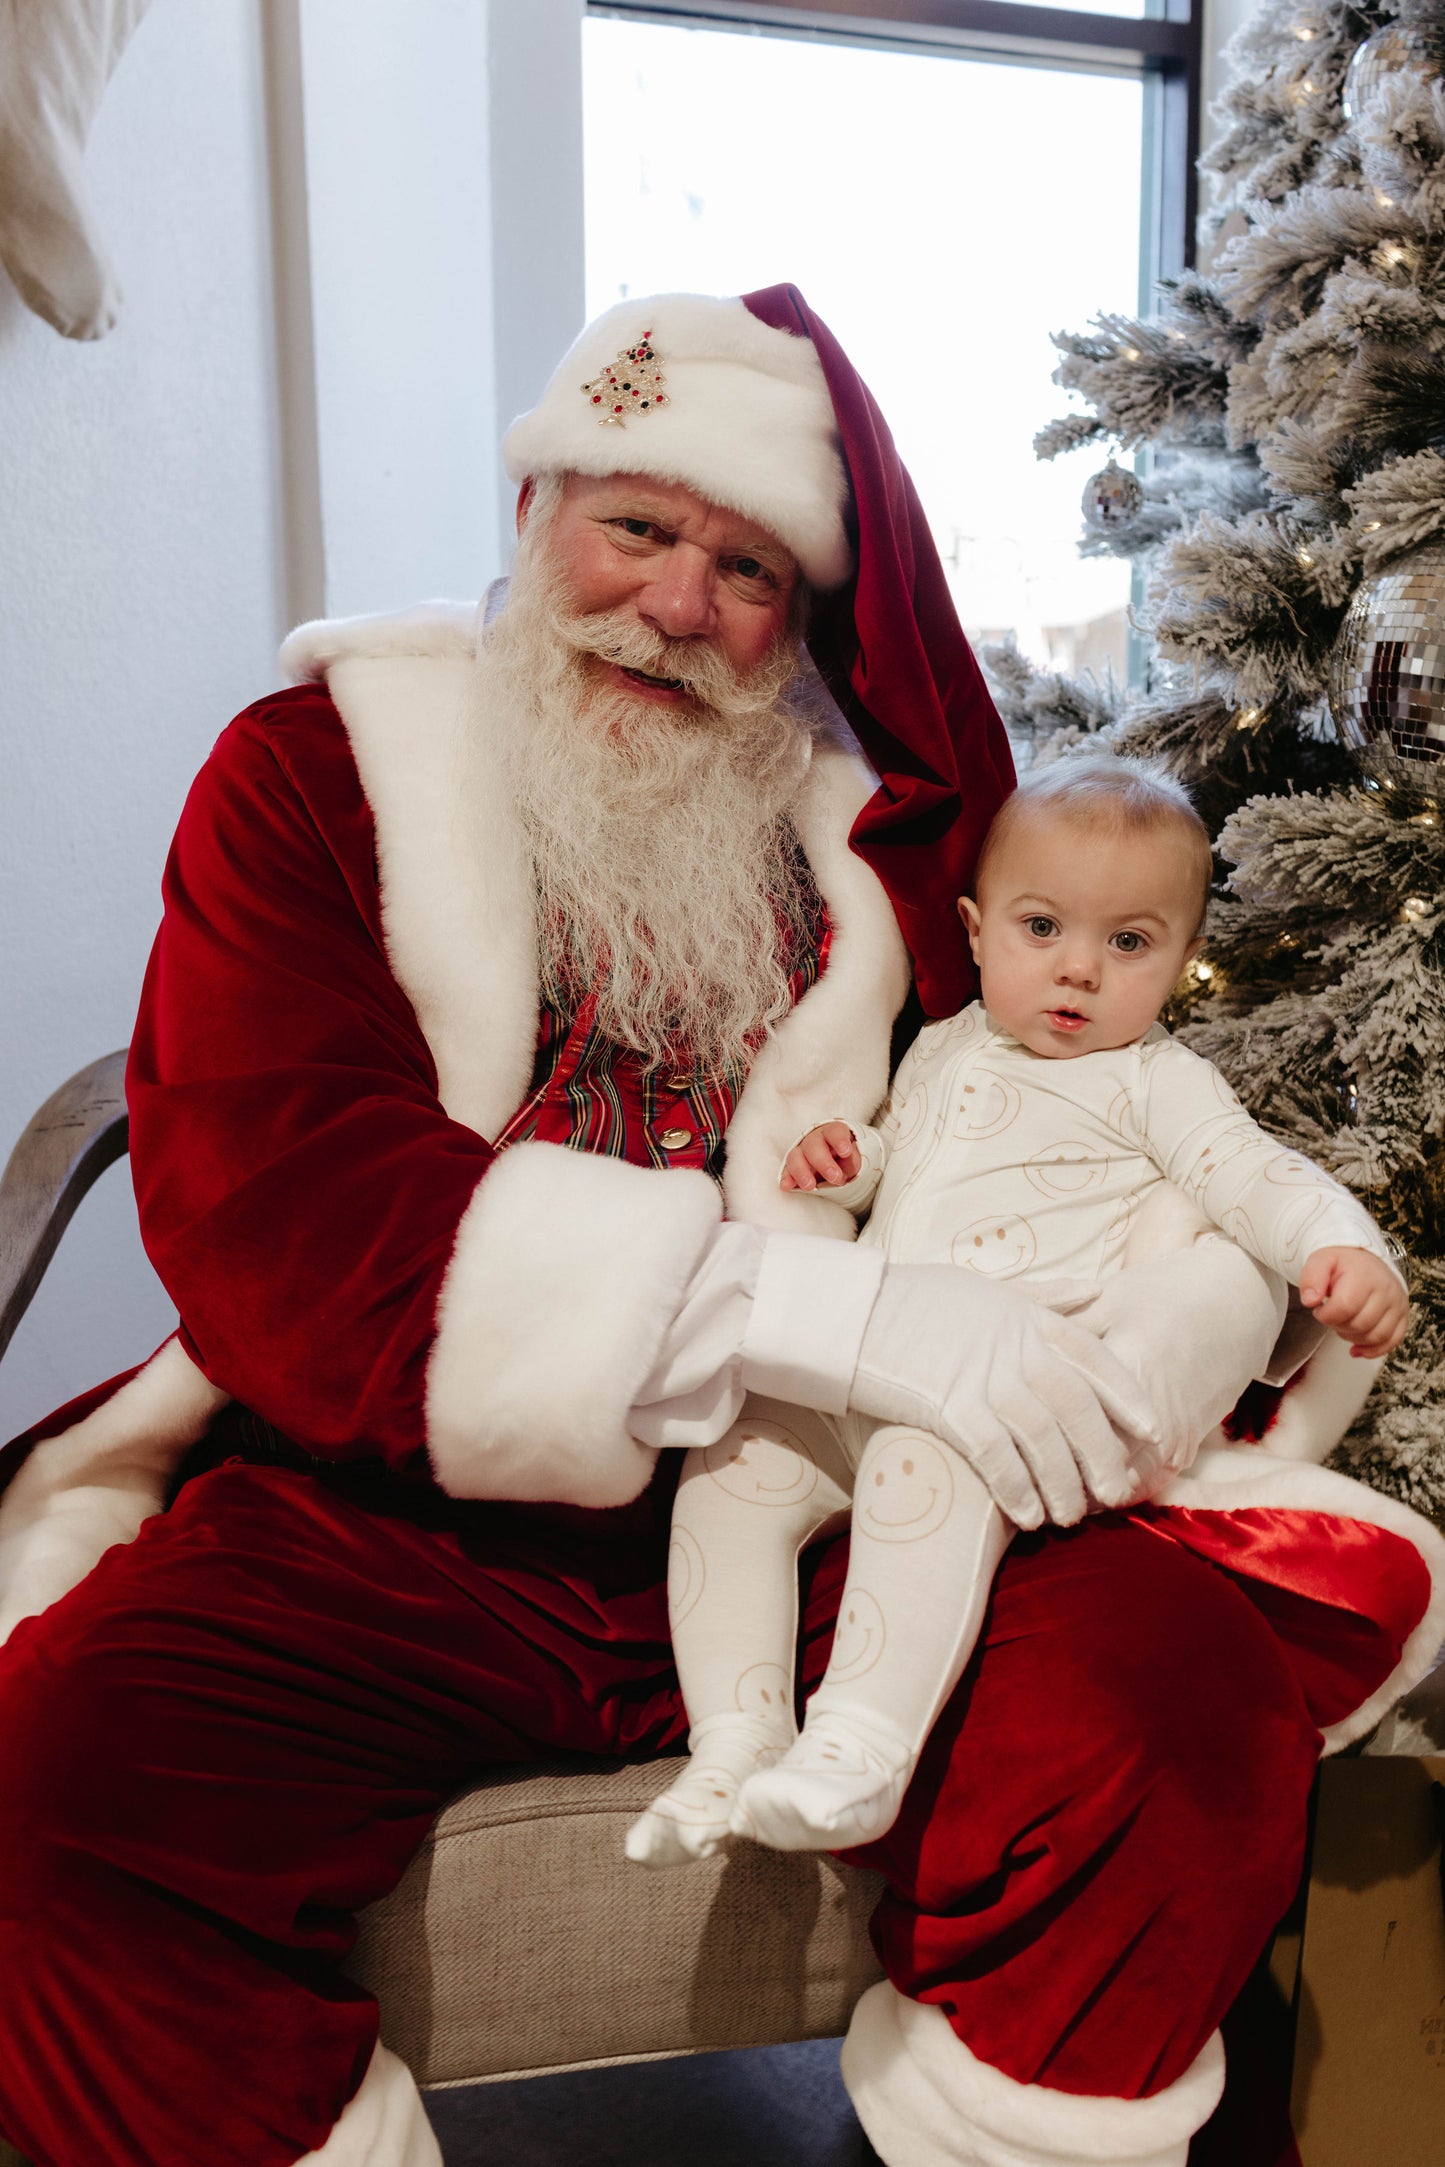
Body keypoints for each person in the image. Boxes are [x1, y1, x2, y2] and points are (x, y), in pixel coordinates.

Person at [0, 286, 1440, 2167]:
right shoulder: (311, 775)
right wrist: (841, 1316)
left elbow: (1111, 1120)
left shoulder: (897, 851)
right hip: (399, 1514)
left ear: (802, 617)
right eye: (638, 530)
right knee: (54, 1806)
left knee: (1173, 1701)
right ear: (538, 516)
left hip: (842, 1490)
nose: (677, 606)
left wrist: (1179, 1304)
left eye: (748, 568)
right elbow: (290, 1211)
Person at [626, 756, 1410, 1869]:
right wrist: (848, 1165)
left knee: (916, 1468)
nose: (1078, 970)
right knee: (731, 1463)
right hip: (865, 1357)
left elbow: (1251, 1174)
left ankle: (857, 1749)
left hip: (998, 1404)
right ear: (975, 927)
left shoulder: (1153, 1080)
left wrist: (1337, 1246)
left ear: (1180, 963)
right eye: (1041, 927)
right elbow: (905, 1164)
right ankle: (736, 1736)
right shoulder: (944, 1044)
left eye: (1128, 943)